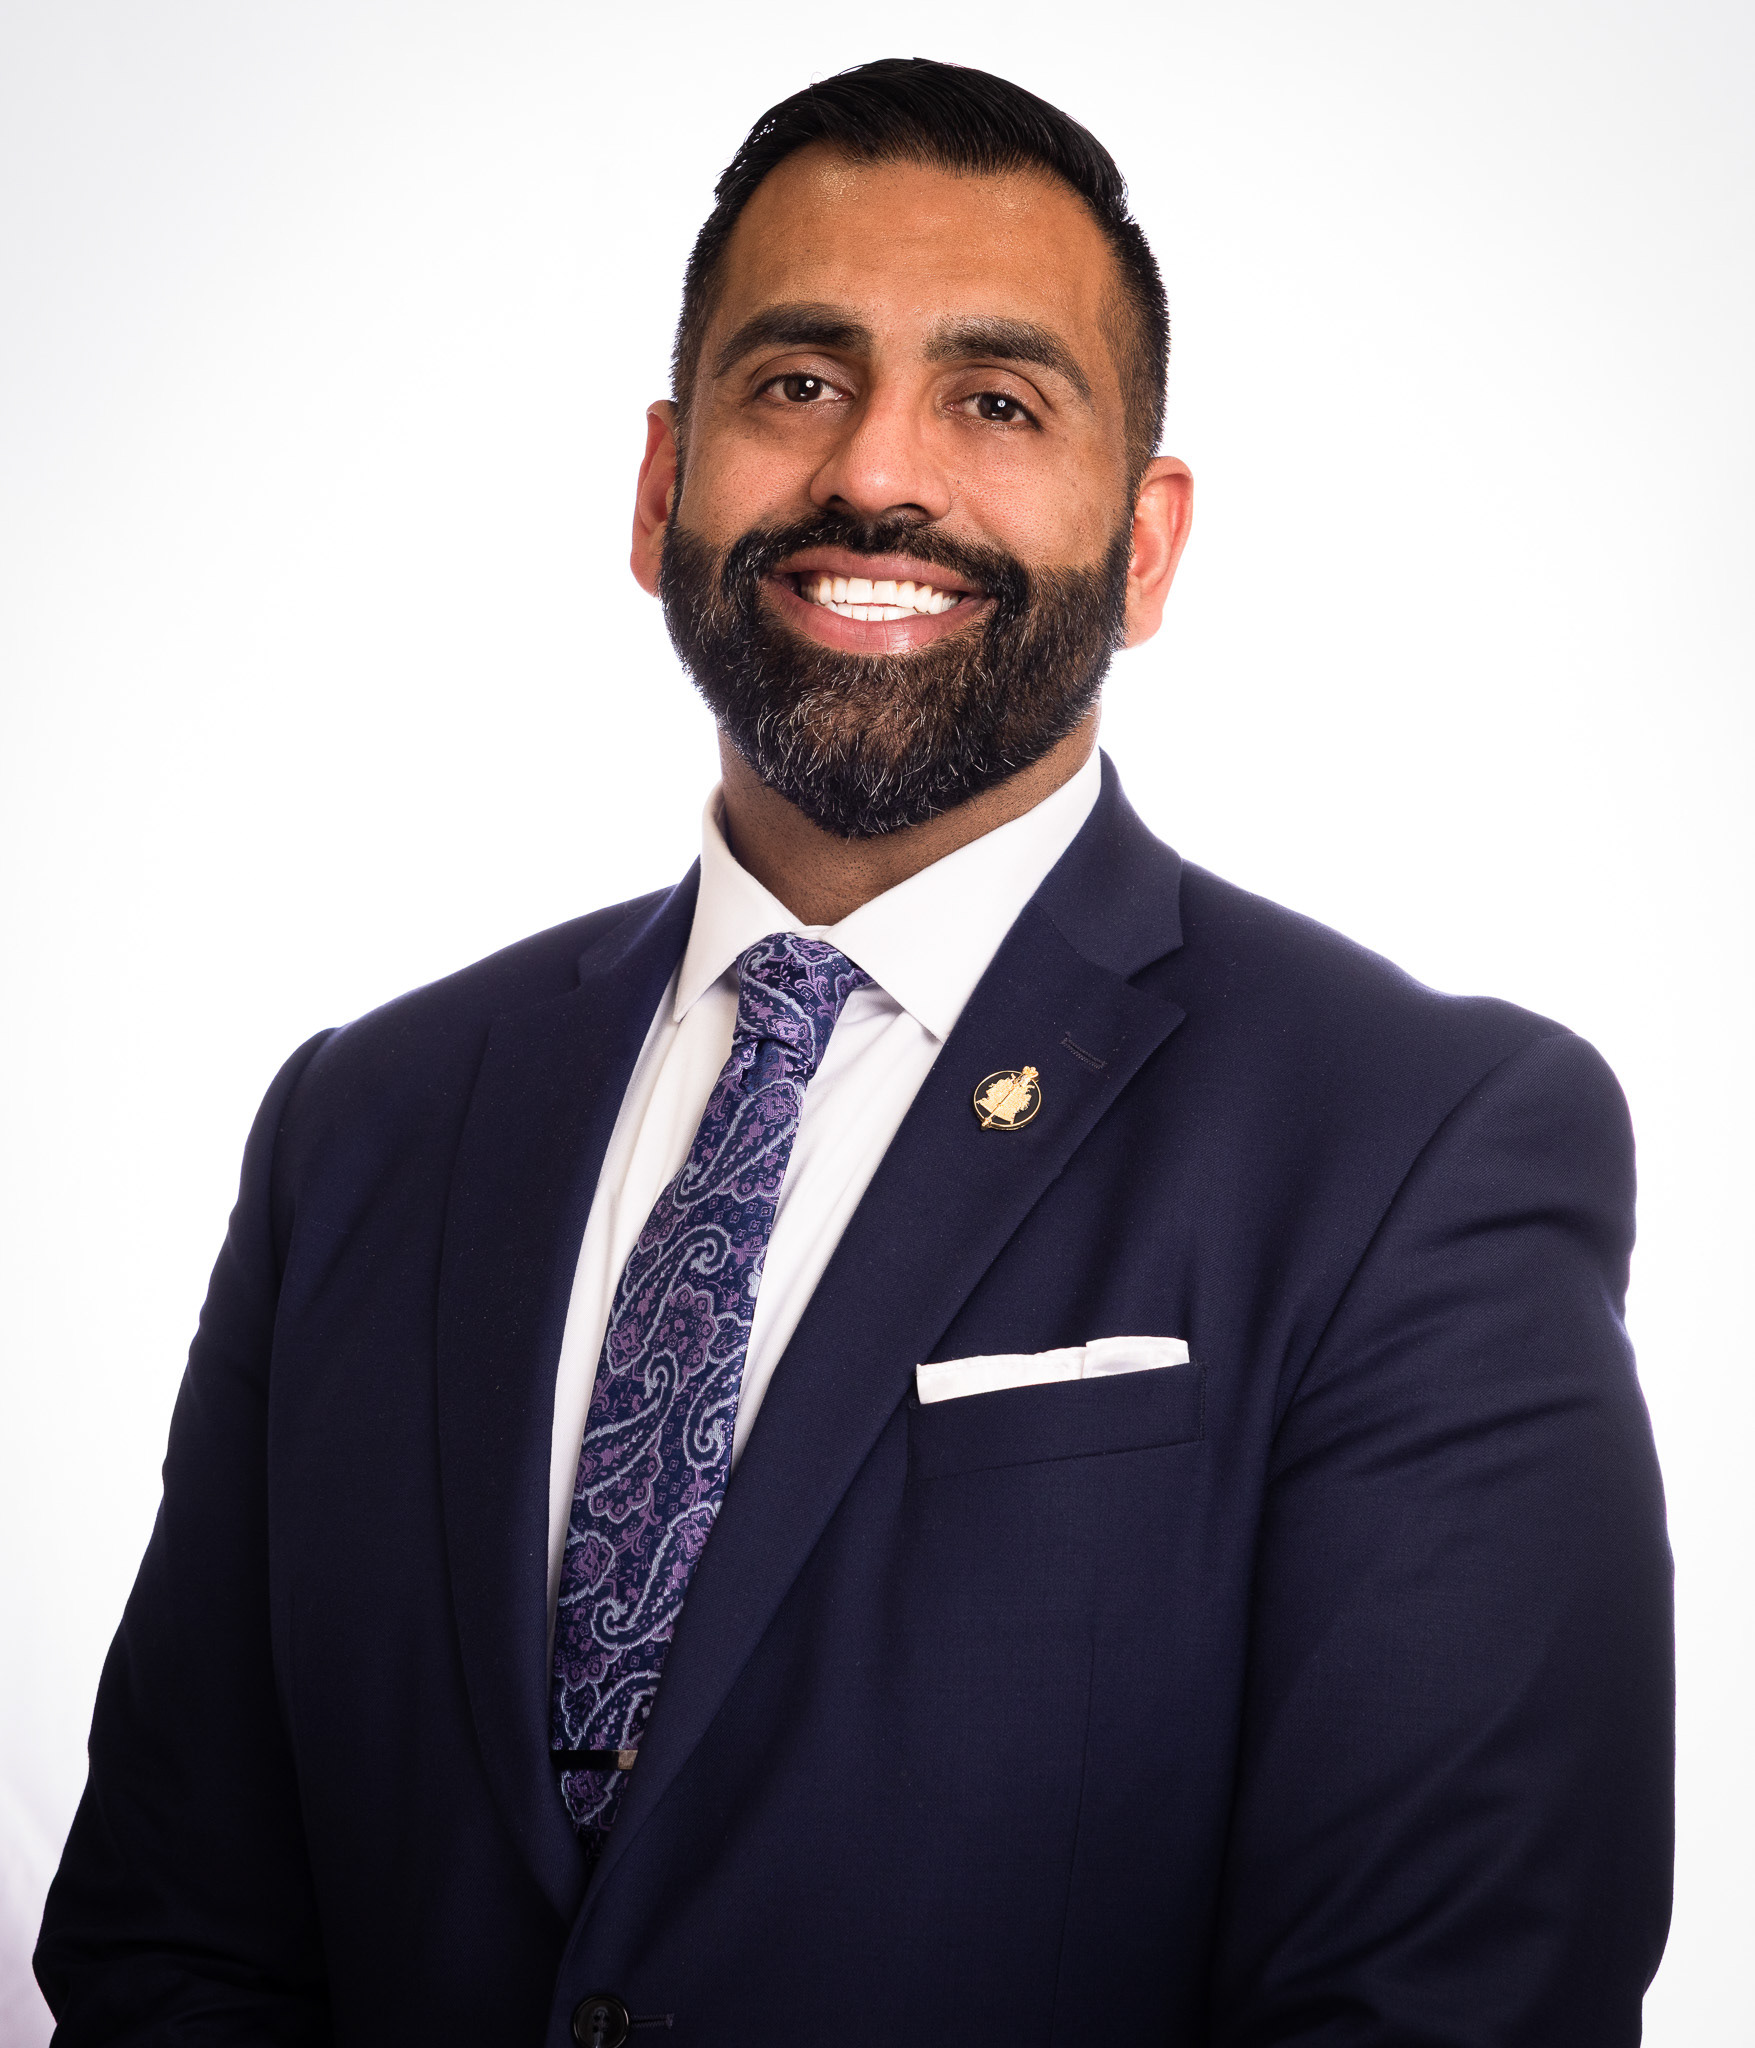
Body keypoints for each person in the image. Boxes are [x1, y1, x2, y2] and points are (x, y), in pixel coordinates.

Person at [35, 57, 1671, 2048]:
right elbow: (174, 1936)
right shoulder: (366, 1124)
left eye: (997, 401)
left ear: (1146, 546)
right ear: (662, 486)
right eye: (798, 381)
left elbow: (1445, 2004)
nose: (875, 472)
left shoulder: (1416, 1146)